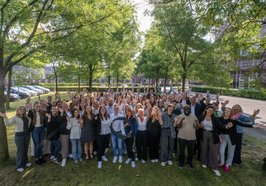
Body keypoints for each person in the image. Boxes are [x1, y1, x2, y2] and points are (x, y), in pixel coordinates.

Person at [218, 107, 257, 172]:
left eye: (228, 111)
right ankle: (222, 162)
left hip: (232, 138)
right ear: (224, 112)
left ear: (230, 113)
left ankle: (227, 164)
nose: (227, 112)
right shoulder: (219, 119)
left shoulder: (233, 120)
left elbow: (243, 124)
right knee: (221, 151)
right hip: (223, 137)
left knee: (230, 152)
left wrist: (254, 126)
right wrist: (219, 137)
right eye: (226, 111)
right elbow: (218, 128)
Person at [199, 105, 233, 176]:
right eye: (209, 110)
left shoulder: (215, 119)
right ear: (206, 110)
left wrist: (227, 126)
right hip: (204, 133)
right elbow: (198, 125)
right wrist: (199, 126)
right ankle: (204, 162)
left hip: (213, 135)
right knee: (204, 148)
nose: (210, 111)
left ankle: (214, 167)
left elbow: (221, 126)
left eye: (211, 110)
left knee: (214, 151)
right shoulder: (202, 116)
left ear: (213, 112)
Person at [0, 107, 31, 172]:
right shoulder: (15, 118)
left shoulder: (26, 117)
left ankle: (26, 161)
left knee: (25, 149)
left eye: (23, 109)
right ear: (18, 111)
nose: (22, 110)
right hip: (19, 136)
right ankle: (19, 166)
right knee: (20, 151)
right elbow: (7, 124)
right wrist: (5, 117)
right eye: (21, 109)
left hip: (27, 135)